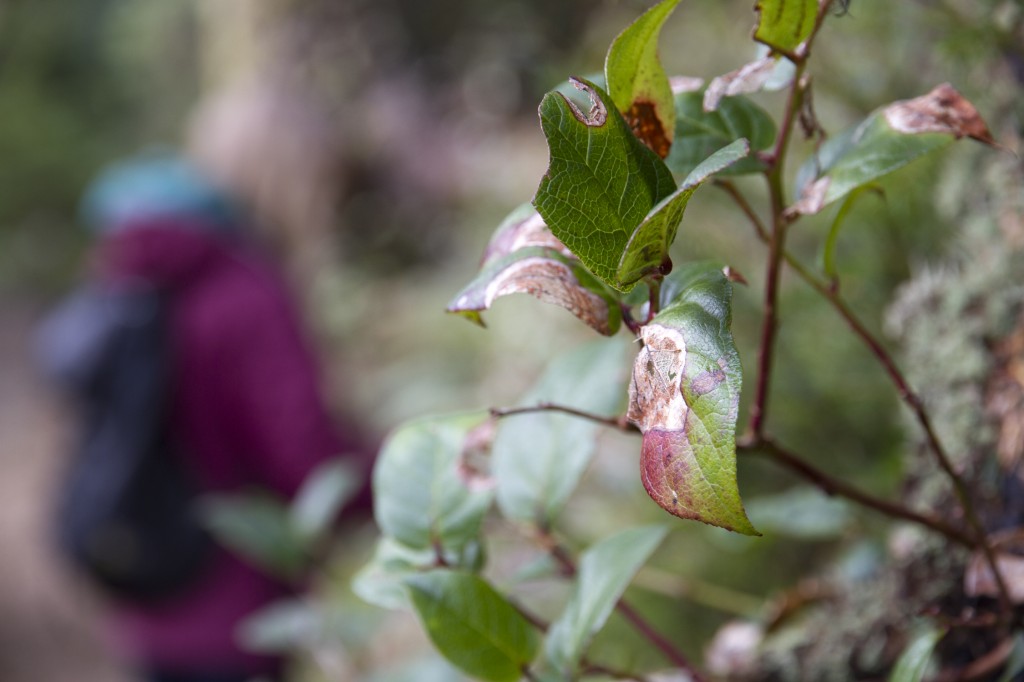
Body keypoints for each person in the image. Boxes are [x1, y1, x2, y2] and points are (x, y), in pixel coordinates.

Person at [41, 153, 369, 682]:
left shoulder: (118, 289)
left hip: (147, 590)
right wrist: (386, 481)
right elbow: (302, 452)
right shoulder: (246, 294)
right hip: (237, 608)